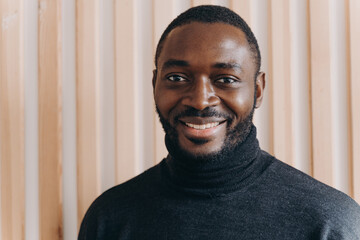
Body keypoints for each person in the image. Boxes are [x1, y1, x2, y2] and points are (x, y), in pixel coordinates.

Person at [78, 5, 360, 239]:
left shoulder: (328, 222)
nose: (200, 101)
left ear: (258, 90)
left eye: (226, 79)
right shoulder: (110, 218)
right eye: (177, 78)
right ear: (155, 84)